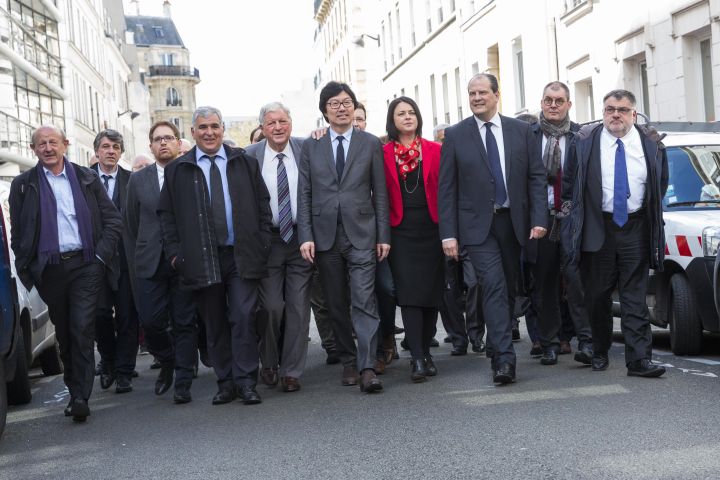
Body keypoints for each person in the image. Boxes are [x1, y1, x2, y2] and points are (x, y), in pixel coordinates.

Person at [158, 106, 272, 405]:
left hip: (241, 255)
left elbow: (262, 203)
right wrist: (176, 256)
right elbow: (167, 217)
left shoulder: (243, 162)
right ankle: (226, 382)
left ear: (223, 129)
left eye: (214, 126)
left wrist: (262, 242)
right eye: (203, 127)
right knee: (214, 321)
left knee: (243, 316)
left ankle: (247, 381)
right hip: (201, 258)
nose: (209, 132)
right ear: (192, 133)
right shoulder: (177, 169)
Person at [438, 73, 547, 384]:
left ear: (496, 95)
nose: (476, 98)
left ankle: (499, 344)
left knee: (509, 287)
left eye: (482, 92)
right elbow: (447, 188)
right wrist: (449, 234)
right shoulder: (456, 135)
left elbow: (535, 177)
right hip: (476, 228)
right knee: (494, 285)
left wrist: (539, 219)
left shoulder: (521, 131)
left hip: (513, 224)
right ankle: (503, 359)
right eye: (471, 93)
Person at [9, 125, 122, 422]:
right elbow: (18, 234)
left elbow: (112, 220)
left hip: (86, 264)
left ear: (65, 145)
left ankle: (80, 395)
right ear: (34, 149)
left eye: (53, 142)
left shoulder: (86, 178)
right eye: (41, 143)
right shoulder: (23, 185)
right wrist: (27, 268)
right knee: (65, 332)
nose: (48, 148)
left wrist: (99, 257)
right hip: (50, 270)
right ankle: (75, 389)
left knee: (81, 327)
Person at [564, 89, 668, 378]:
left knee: (634, 296)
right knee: (597, 295)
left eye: (622, 110)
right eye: (610, 109)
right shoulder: (585, 142)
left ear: (634, 114)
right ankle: (599, 350)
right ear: (603, 112)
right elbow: (570, 184)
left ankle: (638, 361)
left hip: (635, 226)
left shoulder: (651, 144)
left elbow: (659, 184)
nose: (615, 115)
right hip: (599, 228)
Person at [297, 81, 390, 393]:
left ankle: (367, 367)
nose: (341, 107)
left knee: (364, 299)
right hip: (325, 237)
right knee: (336, 303)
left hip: (363, 233)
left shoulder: (370, 143)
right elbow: (305, 193)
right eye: (334, 103)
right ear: (325, 111)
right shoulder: (311, 146)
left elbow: (380, 192)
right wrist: (305, 235)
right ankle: (348, 361)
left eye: (347, 101)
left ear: (354, 107)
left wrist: (383, 235)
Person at [125, 121, 198, 403]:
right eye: (158, 139)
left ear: (179, 143)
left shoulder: (190, 173)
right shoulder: (138, 180)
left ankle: (182, 381)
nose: (163, 143)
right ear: (151, 146)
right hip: (150, 261)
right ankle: (166, 360)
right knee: (151, 321)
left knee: (184, 322)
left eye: (169, 138)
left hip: (184, 260)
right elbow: (131, 224)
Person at [244, 102, 312, 393]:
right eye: (271, 123)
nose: (277, 127)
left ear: (291, 123)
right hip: (268, 242)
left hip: (301, 239)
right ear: (262, 128)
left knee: (298, 308)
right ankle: (268, 362)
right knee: (271, 307)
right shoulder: (249, 157)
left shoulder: (307, 149)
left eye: (282, 121)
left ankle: (291, 371)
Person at [527, 81, 593, 366]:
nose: (553, 105)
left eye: (559, 100)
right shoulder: (526, 135)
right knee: (545, 284)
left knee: (577, 282)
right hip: (540, 221)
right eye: (548, 100)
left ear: (568, 104)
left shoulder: (583, 136)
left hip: (573, 220)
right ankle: (550, 342)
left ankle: (587, 342)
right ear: (541, 103)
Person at [382, 97, 443, 383]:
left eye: (411, 112)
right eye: (400, 114)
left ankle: (427, 354)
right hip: (400, 231)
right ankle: (417, 357)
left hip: (432, 229)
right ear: (392, 120)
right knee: (409, 295)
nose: (407, 117)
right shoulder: (382, 154)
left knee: (431, 294)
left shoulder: (435, 150)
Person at [91, 129, 139, 394]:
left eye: (116, 147)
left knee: (127, 316)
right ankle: (107, 361)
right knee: (100, 314)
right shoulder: (85, 181)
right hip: (97, 260)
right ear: (97, 150)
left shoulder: (133, 181)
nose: (111, 151)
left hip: (126, 259)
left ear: (121, 152)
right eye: (106, 146)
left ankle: (123, 372)